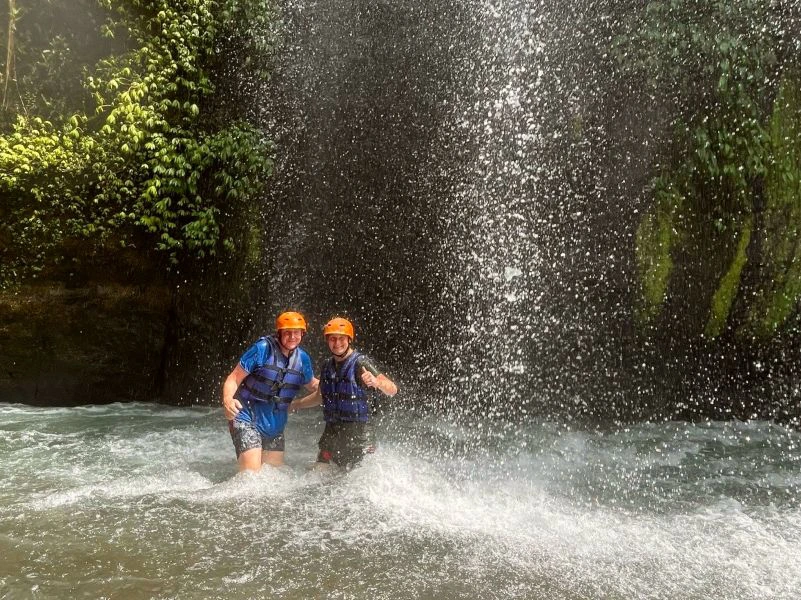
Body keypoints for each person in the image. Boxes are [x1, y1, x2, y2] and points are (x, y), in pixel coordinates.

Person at [291, 317, 397, 469]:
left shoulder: (361, 363)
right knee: (316, 476)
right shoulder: (327, 365)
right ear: (327, 341)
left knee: (354, 481)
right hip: (332, 434)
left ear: (349, 340)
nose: (337, 343)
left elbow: (392, 389)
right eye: (332, 339)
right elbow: (320, 397)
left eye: (341, 338)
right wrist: (294, 405)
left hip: (359, 437)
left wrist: (377, 382)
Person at [222, 311, 319, 472]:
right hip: (247, 417)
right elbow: (234, 378)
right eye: (287, 332)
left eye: (297, 332)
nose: (292, 337)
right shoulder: (262, 349)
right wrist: (227, 399)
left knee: (273, 477)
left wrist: (332, 385)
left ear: (303, 334)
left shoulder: (303, 359)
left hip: (275, 425)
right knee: (251, 476)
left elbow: (312, 384)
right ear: (279, 333)